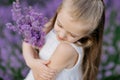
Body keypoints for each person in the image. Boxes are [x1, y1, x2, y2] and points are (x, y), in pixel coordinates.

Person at [22, 0, 105, 80]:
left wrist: (34, 58)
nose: (61, 35)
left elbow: (41, 79)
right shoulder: (52, 24)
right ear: (58, 12)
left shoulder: (66, 49)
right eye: (60, 25)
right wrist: (31, 62)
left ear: (86, 36)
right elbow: (27, 40)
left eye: (72, 35)